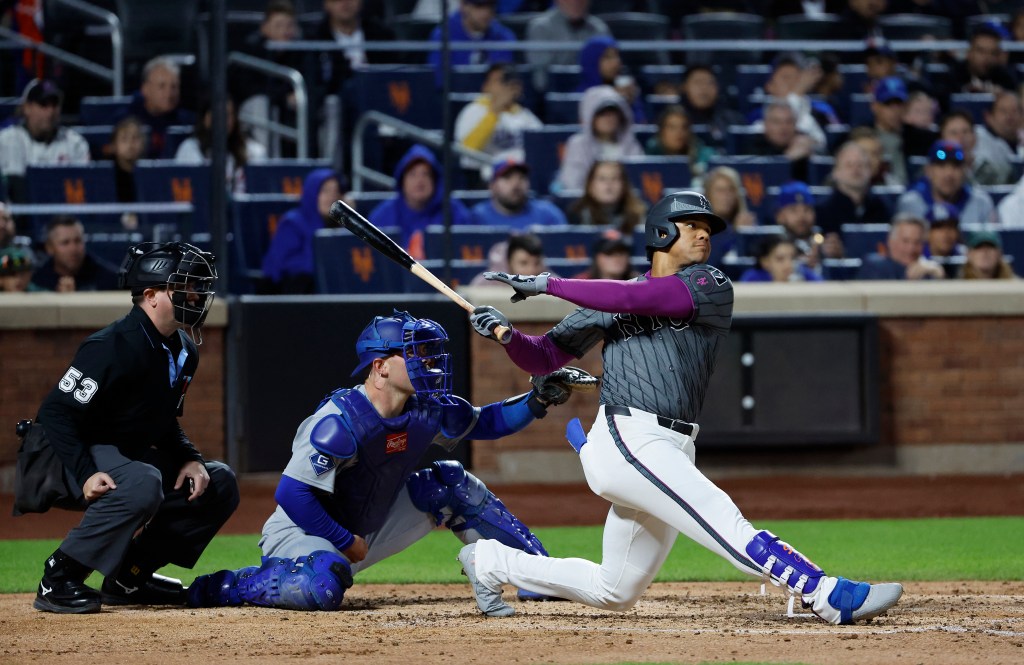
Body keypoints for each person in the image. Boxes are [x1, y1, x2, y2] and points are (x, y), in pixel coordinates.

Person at [462, 190, 903, 623]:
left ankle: (489, 561)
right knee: (724, 520)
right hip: (629, 439)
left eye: (707, 227)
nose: (703, 234)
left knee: (615, 590)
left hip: (673, 445)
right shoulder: (609, 297)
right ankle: (825, 593)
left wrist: (549, 284)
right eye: (691, 225)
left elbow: (640, 299)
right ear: (660, 231)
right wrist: (506, 336)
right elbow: (542, 357)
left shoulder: (709, 285)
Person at [186, 310, 590, 611]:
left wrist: (537, 399)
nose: (428, 362)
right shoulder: (339, 422)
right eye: (414, 354)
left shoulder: (426, 409)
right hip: (305, 533)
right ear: (379, 367)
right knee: (322, 586)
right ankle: (231, 586)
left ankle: (540, 575)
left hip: (366, 527)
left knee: (450, 484)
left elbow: (488, 421)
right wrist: (345, 542)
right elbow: (292, 494)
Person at [23, 241, 238, 613]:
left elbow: (162, 417)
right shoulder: (113, 345)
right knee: (143, 481)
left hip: (121, 454)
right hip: (65, 456)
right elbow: (56, 413)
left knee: (217, 482)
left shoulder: (184, 348)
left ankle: (128, 577)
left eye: (198, 285)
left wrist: (189, 457)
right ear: (151, 295)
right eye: (184, 285)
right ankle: (58, 577)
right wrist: (86, 473)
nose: (196, 293)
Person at [367, 144, 472, 260]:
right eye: (413, 174)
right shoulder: (382, 215)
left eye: (426, 174)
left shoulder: (454, 211)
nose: (419, 181)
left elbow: (469, 253)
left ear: (435, 180)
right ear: (402, 181)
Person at [453, 63, 542, 187]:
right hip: (486, 180)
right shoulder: (474, 110)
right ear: (485, 86)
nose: (503, 86)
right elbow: (466, 152)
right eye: (498, 81)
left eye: (507, 81)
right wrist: (494, 112)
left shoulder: (526, 116)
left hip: (524, 178)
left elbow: (542, 150)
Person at [260, 168, 344, 294]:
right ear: (312, 193)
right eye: (325, 191)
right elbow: (279, 265)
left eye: (335, 191)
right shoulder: (292, 223)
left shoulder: (338, 225)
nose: (331, 197)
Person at [0, 79, 90, 196]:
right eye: (43, 104)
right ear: (27, 108)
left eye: (54, 104)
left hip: (65, 211)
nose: (50, 111)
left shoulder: (75, 143)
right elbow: (14, 190)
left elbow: (83, 189)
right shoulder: (8, 139)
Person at [554, 86, 643, 193]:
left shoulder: (632, 145)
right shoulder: (577, 144)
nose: (609, 118)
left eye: (613, 112)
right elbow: (572, 184)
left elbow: (639, 184)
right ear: (589, 116)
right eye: (602, 113)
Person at [174, 97, 268, 194]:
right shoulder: (189, 149)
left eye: (228, 115)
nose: (223, 120)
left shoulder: (254, 151)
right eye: (218, 114)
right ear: (206, 118)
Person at [896, 140, 998, 228]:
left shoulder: (981, 203)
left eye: (955, 167)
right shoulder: (911, 204)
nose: (948, 174)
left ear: (964, 171)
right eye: (941, 166)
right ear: (928, 171)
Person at [864, 76, 937, 186]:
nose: (895, 111)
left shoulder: (923, 138)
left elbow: (941, 155)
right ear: (875, 106)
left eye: (899, 104)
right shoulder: (862, 137)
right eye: (888, 104)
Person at [814, 141, 891, 244]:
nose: (856, 170)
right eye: (849, 165)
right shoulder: (822, 211)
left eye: (860, 165)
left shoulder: (883, 207)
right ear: (836, 172)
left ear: (869, 171)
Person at [525, 0, 609, 92]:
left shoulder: (599, 29)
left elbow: (608, 70)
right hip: (553, 96)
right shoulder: (541, 28)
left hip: (593, 94)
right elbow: (540, 77)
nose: (576, 2)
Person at [120, 57, 196, 159]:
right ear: (145, 89)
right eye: (162, 86)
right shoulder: (125, 120)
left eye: (174, 86)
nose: (169, 93)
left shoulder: (190, 122)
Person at [428, 0, 516, 87]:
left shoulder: (503, 37)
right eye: (479, 6)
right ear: (463, 6)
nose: (486, 12)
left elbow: (504, 81)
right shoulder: (443, 35)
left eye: (490, 6)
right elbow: (438, 80)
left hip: (492, 99)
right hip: (454, 98)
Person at [471, 157, 567, 228]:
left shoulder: (548, 215)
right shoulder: (478, 217)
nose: (516, 184)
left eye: (522, 178)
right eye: (507, 178)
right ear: (492, 186)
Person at [30, 216, 119, 293]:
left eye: (78, 241)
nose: (73, 249)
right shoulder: (36, 281)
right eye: (65, 243)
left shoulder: (111, 280)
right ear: (50, 247)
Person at [577, 35, 646, 124]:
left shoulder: (628, 92)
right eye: (608, 57)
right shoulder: (579, 97)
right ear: (592, 61)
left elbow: (642, 128)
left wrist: (630, 104)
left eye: (617, 56)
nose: (617, 62)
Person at [856, 213, 945, 280]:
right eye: (905, 241)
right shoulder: (874, 265)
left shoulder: (928, 269)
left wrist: (938, 276)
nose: (911, 248)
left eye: (917, 242)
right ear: (890, 241)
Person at [566, 160, 647, 232]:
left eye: (615, 178)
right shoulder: (576, 215)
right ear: (590, 186)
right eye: (602, 179)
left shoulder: (640, 214)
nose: (609, 183)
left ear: (624, 185)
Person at [677, 65, 745, 151]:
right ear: (684, 87)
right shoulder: (673, 119)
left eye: (710, 83)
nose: (704, 88)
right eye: (698, 82)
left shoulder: (733, 120)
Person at [750, 100, 816, 182]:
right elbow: (765, 177)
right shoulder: (755, 145)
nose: (783, 127)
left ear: (795, 125)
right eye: (777, 122)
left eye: (789, 122)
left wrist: (814, 151)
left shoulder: (802, 143)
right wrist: (787, 159)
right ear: (765, 125)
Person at [644, 105, 714, 179]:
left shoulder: (702, 155)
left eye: (684, 127)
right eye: (672, 127)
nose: (679, 132)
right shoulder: (650, 155)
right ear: (661, 132)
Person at [972, 91, 1023, 186]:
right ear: (989, 117)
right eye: (1003, 111)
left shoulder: (1020, 142)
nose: (1009, 116)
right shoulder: (977, 138)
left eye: (1014, 111)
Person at [739, 234, 823, 283]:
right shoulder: (752, 280)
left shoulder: (808, 277)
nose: (788, 264)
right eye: (780, 259)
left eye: (793, 258)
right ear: (765, 261)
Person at [938, 109, 984, 184]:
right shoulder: (931, 171)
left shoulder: (992, 171)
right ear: (942, 139)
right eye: (953, 133)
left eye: (965, 132)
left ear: (974, 137)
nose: (960, 138)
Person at [573, 229, 637, 280]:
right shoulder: (580, 283)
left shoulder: (640, 284)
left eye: (621, 253)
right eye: (609, 253)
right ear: (597, 258)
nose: (617, 258)